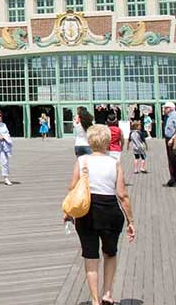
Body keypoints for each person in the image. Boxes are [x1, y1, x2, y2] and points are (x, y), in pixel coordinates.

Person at [66, 124, 135, 305]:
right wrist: (131, 221)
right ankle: (108, 294)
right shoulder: (114, 163)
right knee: (110, 253)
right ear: (107, 141)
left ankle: (95, 300)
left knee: (90, 256)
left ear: (90, 141)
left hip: (87, 211)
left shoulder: (82, 161)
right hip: (110, 211)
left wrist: (68, 212)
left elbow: (72, 188)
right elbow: (122, 195)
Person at [161, 102, 176, 187]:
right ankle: (173, 179)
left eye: (165, 108)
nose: (164, 110)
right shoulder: (169, 116)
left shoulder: (175, 115)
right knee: (172, 160)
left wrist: (173, 138)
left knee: (175, 159)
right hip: (169, 139)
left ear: (170, 108)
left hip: (173, 139)